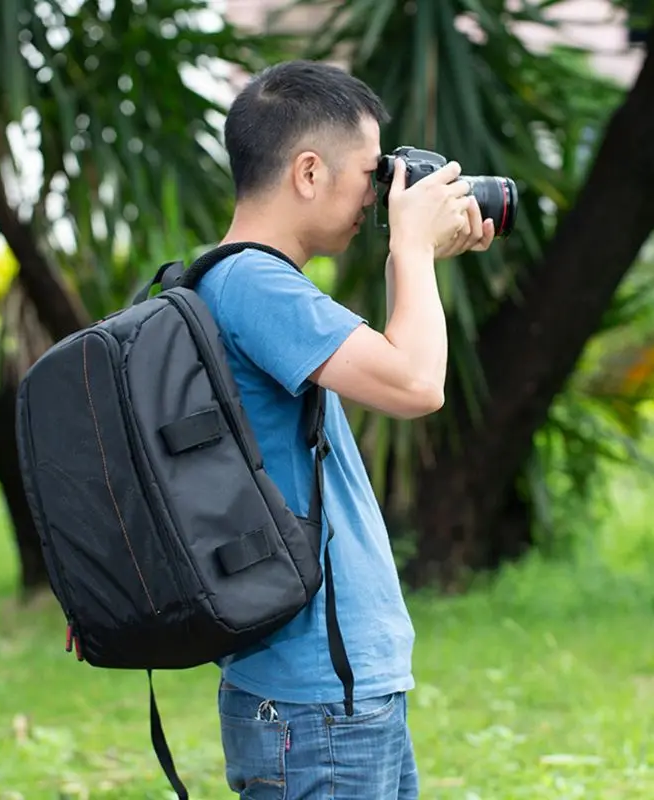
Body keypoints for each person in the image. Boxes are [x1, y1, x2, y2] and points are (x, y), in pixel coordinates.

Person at [195, 59, 496, 800]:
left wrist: (418, 258)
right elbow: (418, 384)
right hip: (314, 700)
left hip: (334, 692)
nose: (377, 194)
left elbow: (398, 363)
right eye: (370, 172)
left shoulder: (248, 283)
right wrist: (412, 248)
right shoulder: (254, 284)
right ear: (306, 171)